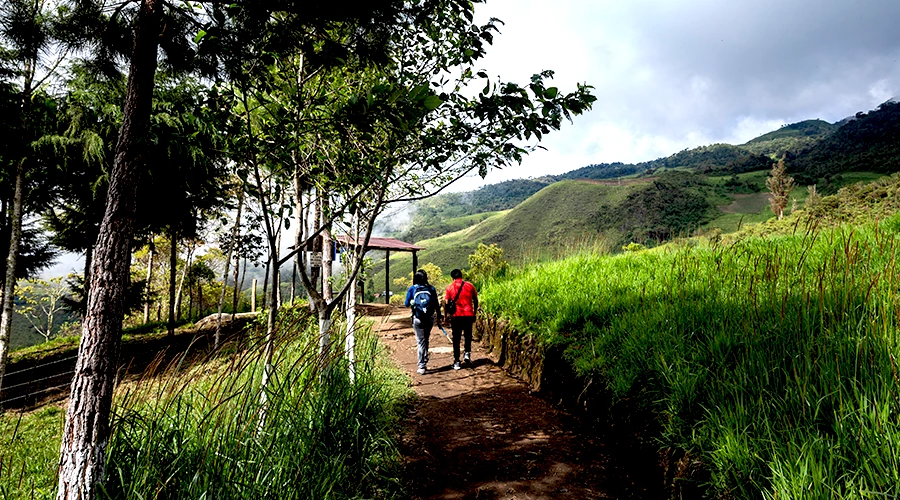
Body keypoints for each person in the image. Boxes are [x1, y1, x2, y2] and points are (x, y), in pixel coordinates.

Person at [405, 270, 441, 374]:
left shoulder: (412, 289)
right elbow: (436, 304)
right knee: (426, 339)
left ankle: (421, 366)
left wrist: (413, 303)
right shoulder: (431, 288)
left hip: (418, 318)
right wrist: (439, 317)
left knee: (420, 342)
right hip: (429, 318)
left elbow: (406, 303)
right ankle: (425, 359)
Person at [444, 268, 478, 370]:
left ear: (452, 278)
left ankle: (457, 361)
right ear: (461, 276)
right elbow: (475, 300)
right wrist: (474, 313)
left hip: (456, 316)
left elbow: (446, 303)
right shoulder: (470, 285)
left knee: (456, 339)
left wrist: (446, 316)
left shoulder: (450, 287)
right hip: (468, 314)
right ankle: (467, 354)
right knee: (468, 335)